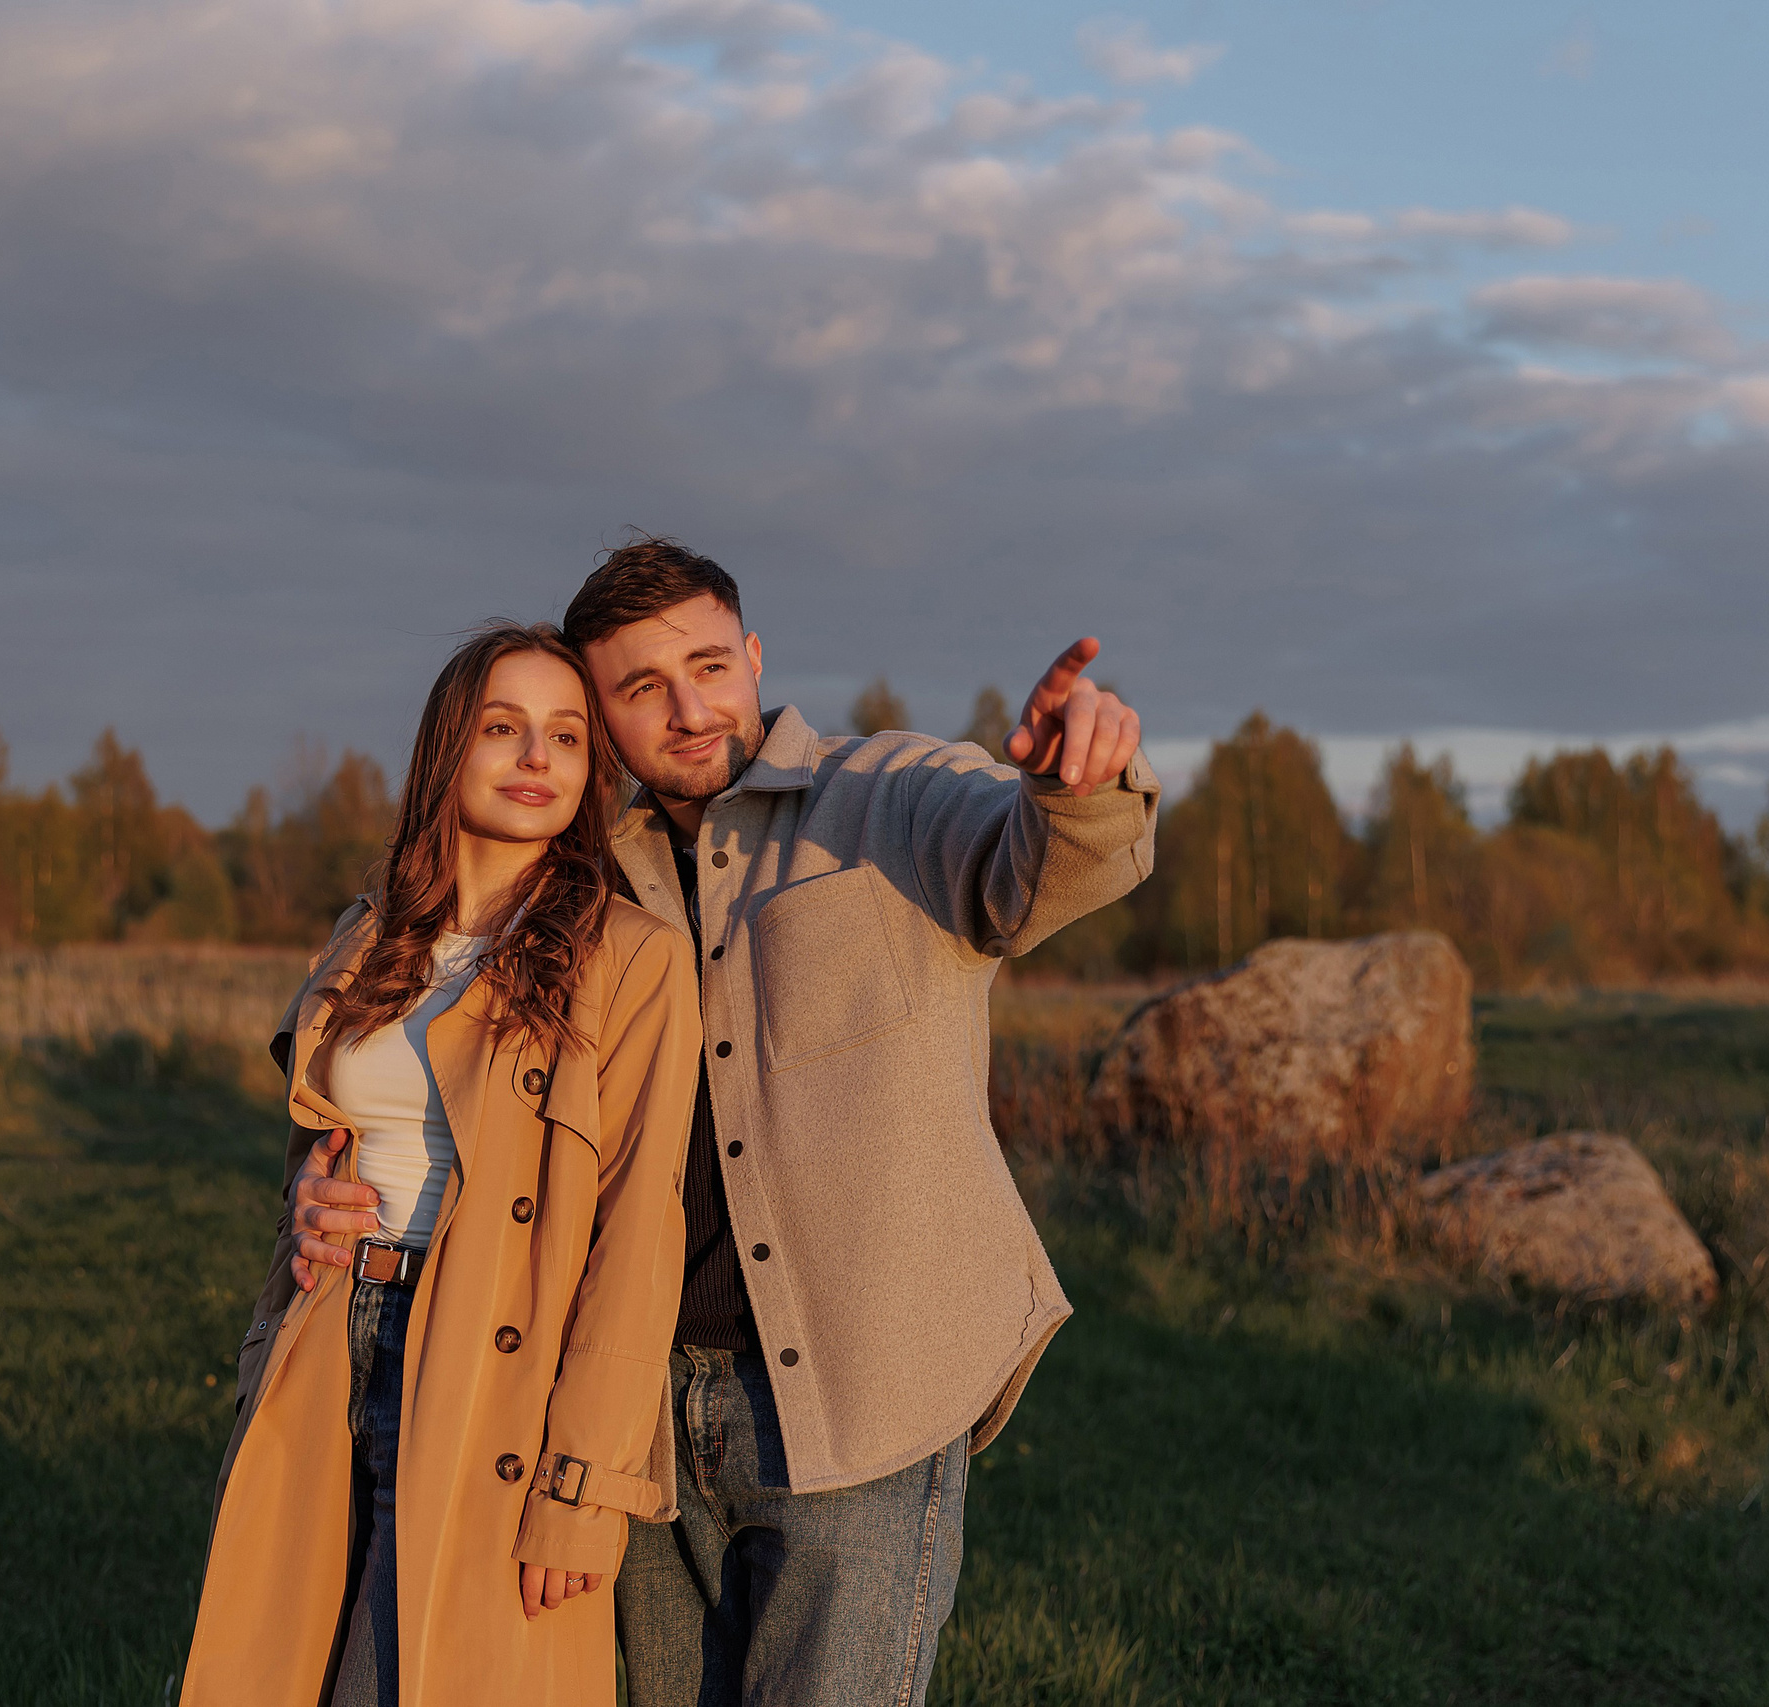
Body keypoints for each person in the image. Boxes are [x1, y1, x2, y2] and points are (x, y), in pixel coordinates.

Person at [288, 541, 1158, 1706]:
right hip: (633, 1409)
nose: (690, 709)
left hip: (860, 1403)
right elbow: (429, 1052)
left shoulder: (894, 796)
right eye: (642, 688)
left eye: (709, 665)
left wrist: (1075, 788)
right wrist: (328, 1178)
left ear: (754, 656)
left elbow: (1036, 868)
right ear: (601, 716)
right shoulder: (584, 879)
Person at [182, 621, 701, 1707]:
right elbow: (317, 1150)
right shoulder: (370, 933)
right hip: (334, 1348)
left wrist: (584, 1488)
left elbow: (637, 1234)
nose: (536, 759)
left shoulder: (632, 957)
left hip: (484, 1384)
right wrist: (309, 1207)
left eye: (565, 737)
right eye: (502, 728)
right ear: (444, 751)